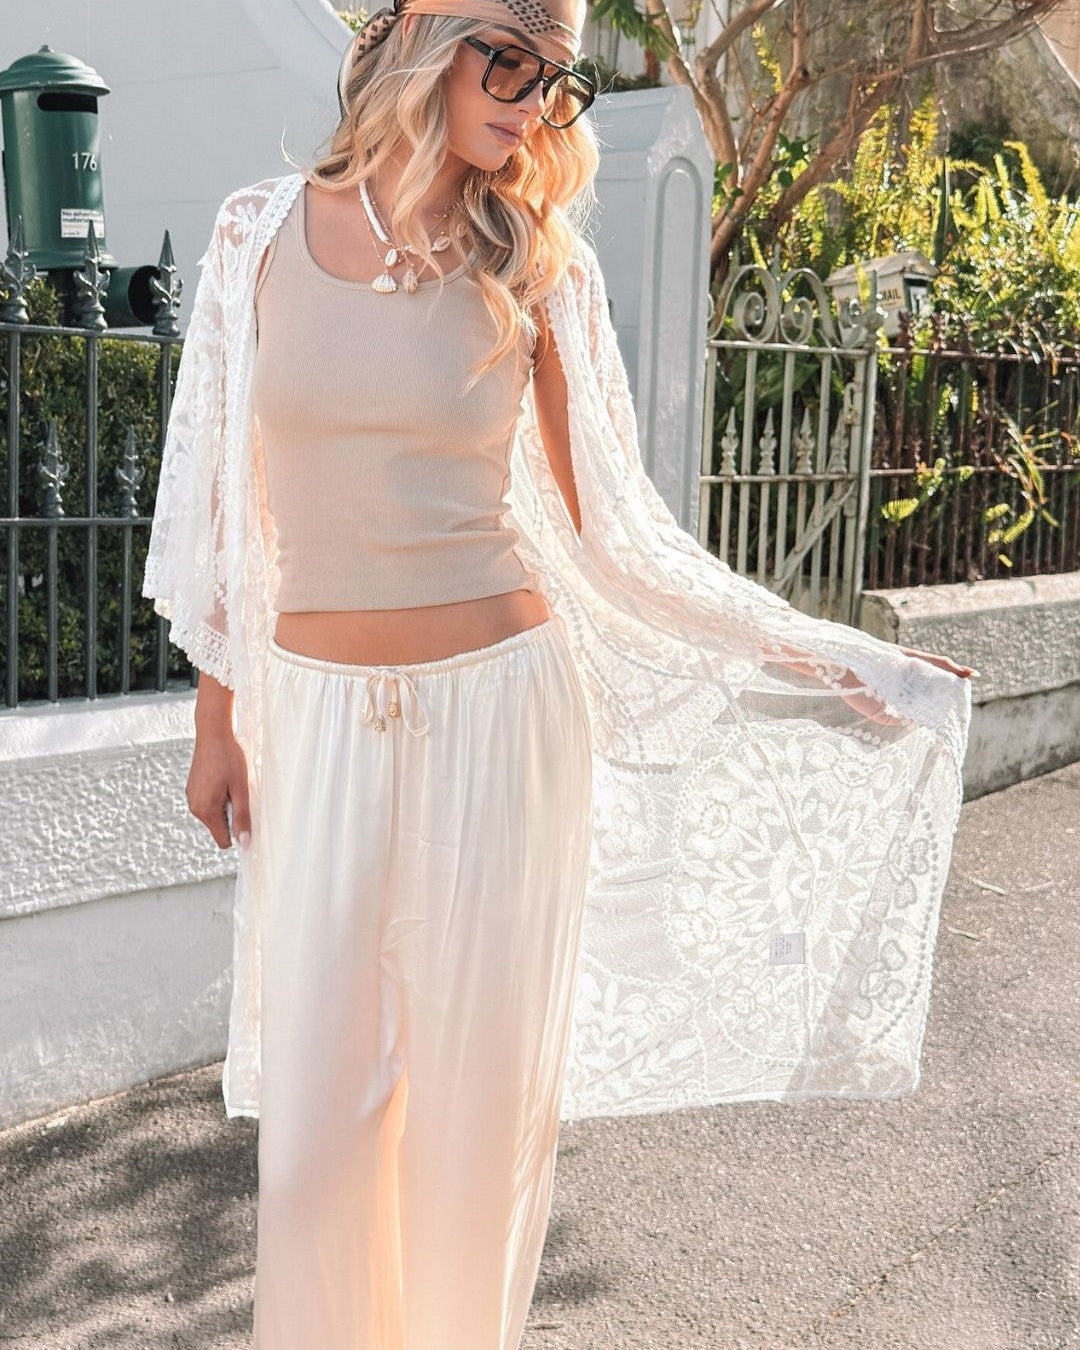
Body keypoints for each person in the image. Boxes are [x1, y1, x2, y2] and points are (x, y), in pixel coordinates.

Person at [141, 1, 974, 1345]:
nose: (534, 103)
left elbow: (623, 542)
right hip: (318, 725)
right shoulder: (253, 239)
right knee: (314, 1157)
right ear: (424, 33)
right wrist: (216, 717)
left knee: (473, 1134)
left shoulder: (536, 263)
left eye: (556, 76)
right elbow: (234, 523)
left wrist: (829, 651)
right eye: (510, 59)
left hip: (502, 723)